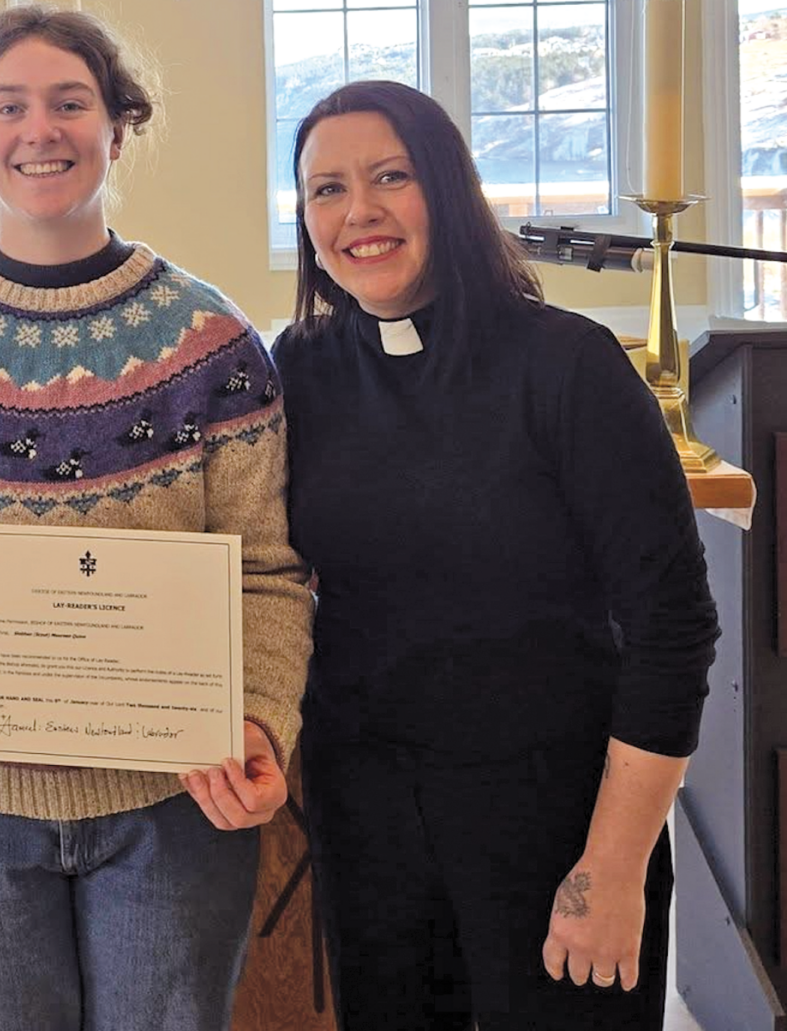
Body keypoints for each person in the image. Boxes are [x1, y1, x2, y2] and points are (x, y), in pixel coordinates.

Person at [0, 4, 314, 1031]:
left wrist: (262, 716)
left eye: (70, 103)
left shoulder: (211, 345)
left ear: (118, 128)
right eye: (9, 107)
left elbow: (267, 570)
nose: (40, 130)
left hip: (174, 806)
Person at [272, 80, 719, 1030]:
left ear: (449, 186)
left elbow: (673, 629)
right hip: (371, 818)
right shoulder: (302, 369)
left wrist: (611, 866)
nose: (360, 211)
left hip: (553, 818)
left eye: (391, 176)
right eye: (326, 189)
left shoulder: (566, 365)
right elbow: (264, 573)